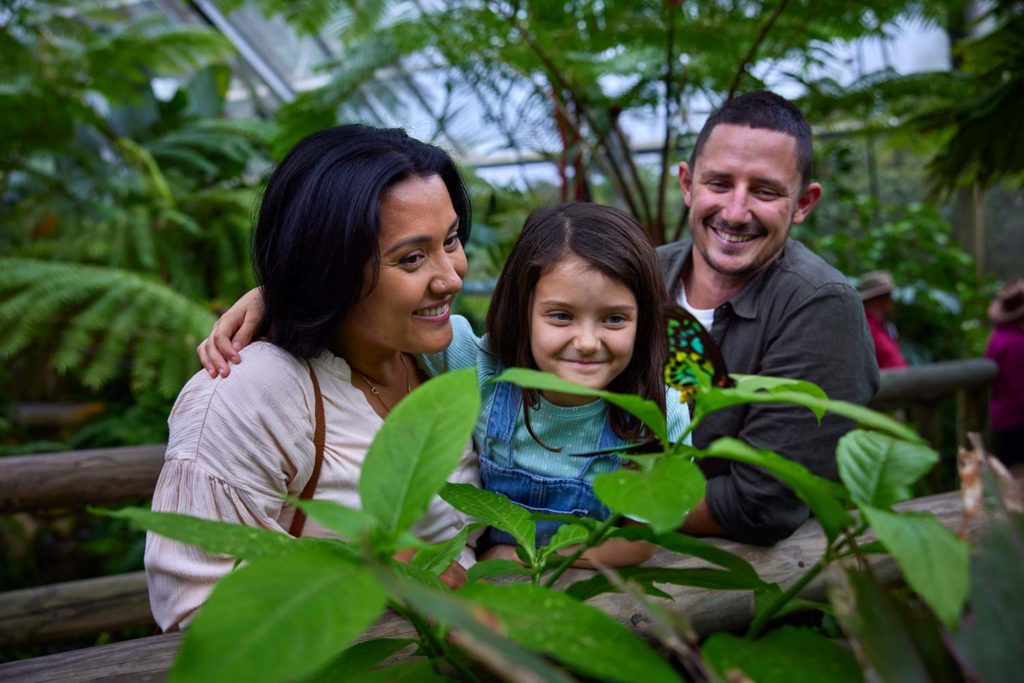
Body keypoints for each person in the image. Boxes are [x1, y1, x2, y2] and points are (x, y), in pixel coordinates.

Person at [145, 125, 481, 631]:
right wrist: (374, 572)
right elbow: (193, 612)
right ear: (331, 265)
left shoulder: (453, 355)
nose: (451, 276)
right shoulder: (249, 394)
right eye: (411, 258)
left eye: (450, 240)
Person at [658, 90, 879, 544]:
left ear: (803, 203)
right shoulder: (639, 274)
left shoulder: (820, 304)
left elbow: (761, 503)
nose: (736, 212)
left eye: (765, 191)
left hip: (748, 595)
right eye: (718, 184)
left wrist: (600, 501)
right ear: (687, 184)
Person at [420, 202, 691, 566]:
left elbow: (640, 541)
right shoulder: (478, 367)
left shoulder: (659, 412)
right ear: (522, 310)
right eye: (561, 316)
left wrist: (530, 556)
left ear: (643, 321)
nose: (587, 341)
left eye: (614, 319)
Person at [985, 279, 1024, 470]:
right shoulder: (1017, 344)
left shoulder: (998, 336)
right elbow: (1020, 389)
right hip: (1016, 421)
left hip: (1000, 417)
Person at [857, 270, 909, 369]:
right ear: (879, 299)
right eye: (888, 295)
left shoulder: (884, 327)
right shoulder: (864, 327)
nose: (892, 300)